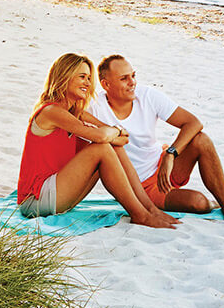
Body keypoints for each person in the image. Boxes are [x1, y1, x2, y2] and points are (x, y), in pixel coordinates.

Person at [90, 54, 224, 225]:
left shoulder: (147, 95)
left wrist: (171, 154)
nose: (132, 82)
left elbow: (193, 123)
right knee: (199, 203)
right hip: (142, 187)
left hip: (165, 166)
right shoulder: (95, 108)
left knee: (202, 139)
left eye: (133, 75)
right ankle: (215, 203)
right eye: (124, 78)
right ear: (106, 84)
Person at [17, 53, 178, 229]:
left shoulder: (75, 112)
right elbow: (104, 136)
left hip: (58, 195)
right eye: (82, 77)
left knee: (110, 147)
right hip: (35, 201)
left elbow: (122, 140)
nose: (87, 83)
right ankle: (140, 214)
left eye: (89, 78)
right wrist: (114, 130)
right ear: (65, 76)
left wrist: (112, 133)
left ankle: (149, 209)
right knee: (101, 148)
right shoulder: (51, 112)